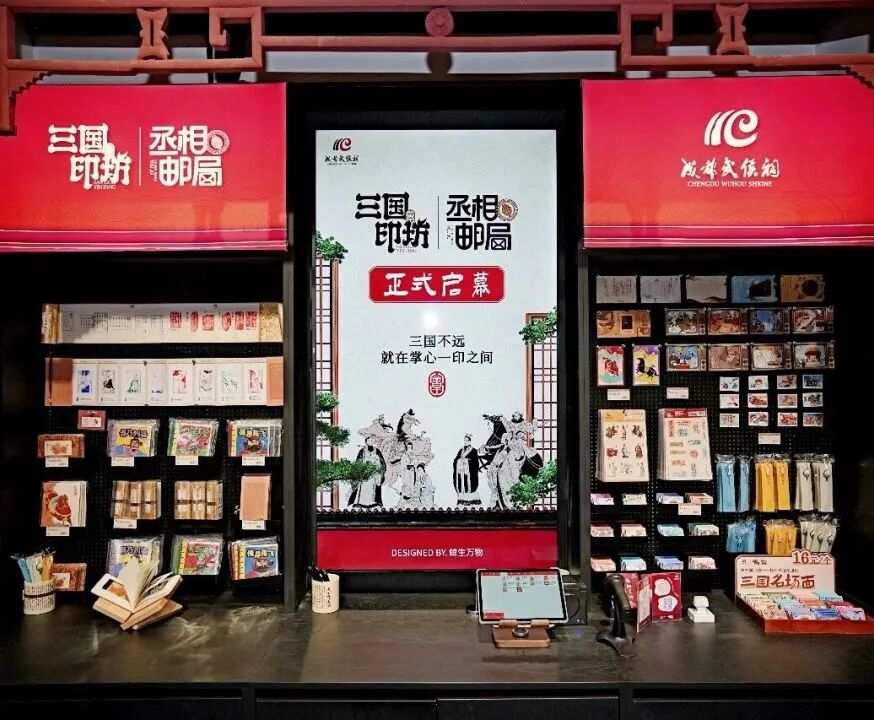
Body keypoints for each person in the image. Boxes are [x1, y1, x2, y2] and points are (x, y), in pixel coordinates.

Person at [348, 436, 387, 510]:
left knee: (373, 488)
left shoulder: (377, 451)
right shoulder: (362, 451)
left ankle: (373, 502)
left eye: (371, 440)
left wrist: (379, 467)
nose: (370, 442)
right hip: (365, 472)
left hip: (374, 473)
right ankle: (362, 502)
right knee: (364, 487)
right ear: (366, 442)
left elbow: (382, 462)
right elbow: (358, 462)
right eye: (368, 440)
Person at [453, 434, 481, 506]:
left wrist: (467, 462)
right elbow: (456, 460)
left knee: (469, 486)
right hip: (461, 473)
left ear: (470, 441)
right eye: (464, 440)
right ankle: (462, 500)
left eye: (467, 441)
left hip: (469, 473)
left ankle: (471, 501)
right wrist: (458, 461)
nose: (465, 442)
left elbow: (476, 462)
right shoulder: (461, 450)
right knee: (462, 485)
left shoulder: (474, 451)